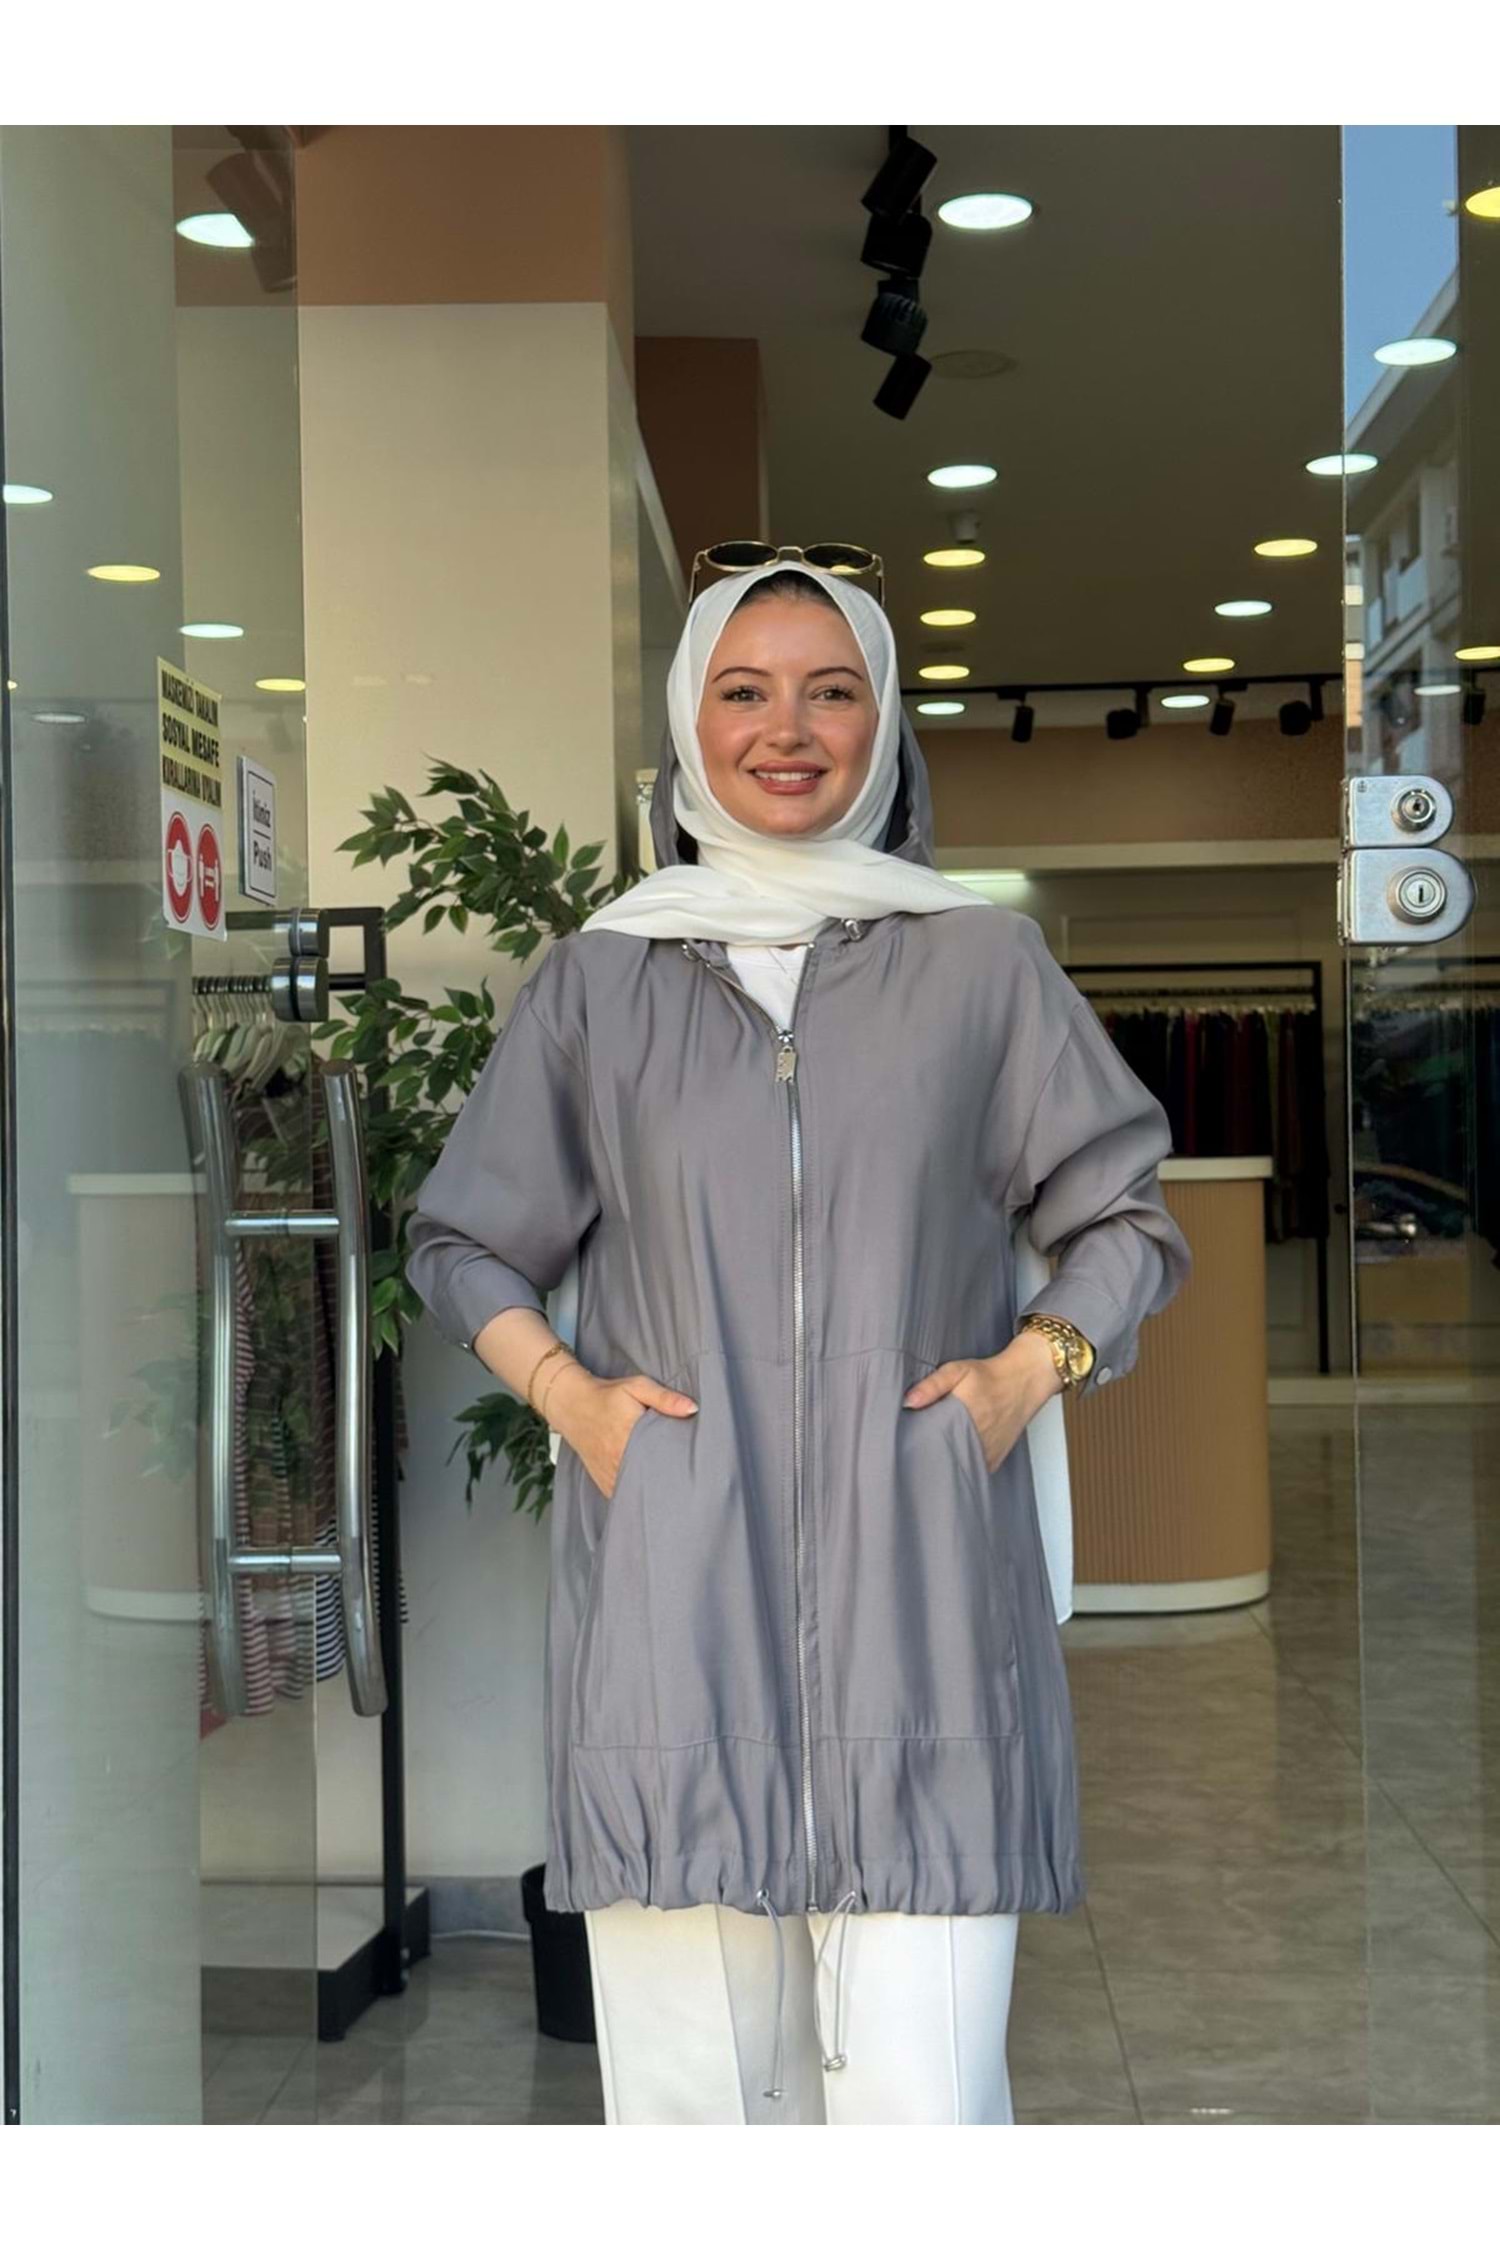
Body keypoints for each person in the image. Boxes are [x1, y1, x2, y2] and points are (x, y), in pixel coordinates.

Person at [405, 557, 1192, 2125]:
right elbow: (465, 1239)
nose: (789, 728)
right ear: (689, 726)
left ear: (883, 722)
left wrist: (1023, 1372)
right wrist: (576, 1400)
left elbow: (1127, 1219)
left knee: (925, 2115)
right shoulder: (602, 981)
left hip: (926, 1601)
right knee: (698, 2120)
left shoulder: (980, 967)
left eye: (832, 690)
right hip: (674, 1614)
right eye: (744, 691)